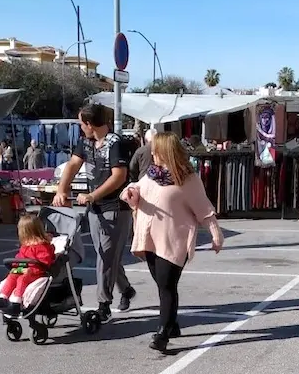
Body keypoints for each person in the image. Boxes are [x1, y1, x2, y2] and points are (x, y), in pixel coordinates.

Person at [120, 132, 223, 352]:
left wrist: (216, 234)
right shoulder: (151, 174)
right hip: (149, 239)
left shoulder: (188, 178)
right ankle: (172, 323)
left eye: (155, 149)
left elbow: (203, 209)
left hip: (173, 241)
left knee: (167, 286)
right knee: (163, 285)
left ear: (165, 151)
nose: (152, 153)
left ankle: (162, 334)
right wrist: (130, 194)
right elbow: (136, 188)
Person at [52, 103, 135, 322]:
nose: (81, 127)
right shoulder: (86, 142)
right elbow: (72, 165)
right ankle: (125, 289)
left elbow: (119, 176)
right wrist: (61, 189)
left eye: (82, 123)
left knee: (106, 257)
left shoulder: (116, 143)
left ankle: (103, 304)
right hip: (95, 208)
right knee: (106, 255)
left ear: (90, 124)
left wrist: (93, 195)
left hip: (115, 208)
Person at [0, 214, 56, 317]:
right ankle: (2, 297)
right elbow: (20, 257)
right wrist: (16, 263)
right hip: (26, 268)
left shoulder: (43, 246)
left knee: (22, 278)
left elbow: (45, 262)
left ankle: (16, 302)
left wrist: (29, 264)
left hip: (37, 270)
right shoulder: (26, 246)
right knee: (13, 273)